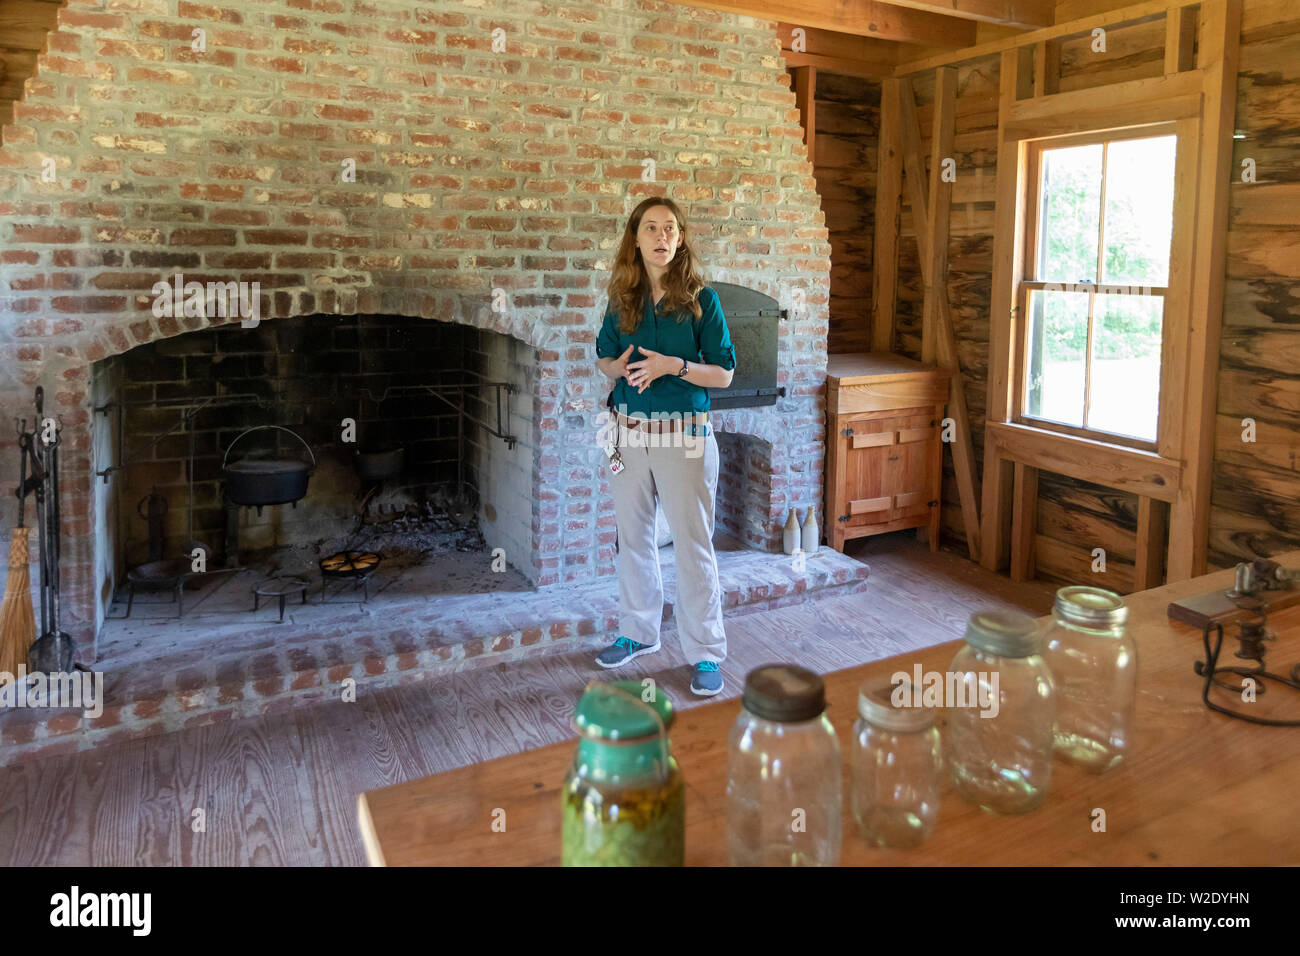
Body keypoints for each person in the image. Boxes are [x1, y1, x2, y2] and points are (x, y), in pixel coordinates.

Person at [593, 197, 737, 696]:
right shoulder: (621, 299)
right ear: (635, 238)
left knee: (693, 545)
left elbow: (723, 372)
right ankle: (638, 633)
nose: (660, 236)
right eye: (650, 227)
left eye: (669, 228)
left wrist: (669, 366)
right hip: (626, 434)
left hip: (686, 437)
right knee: (632, 539)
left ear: (680, 238)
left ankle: (706, 653)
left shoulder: (703, 300)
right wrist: (620, 367)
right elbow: (605, 358)